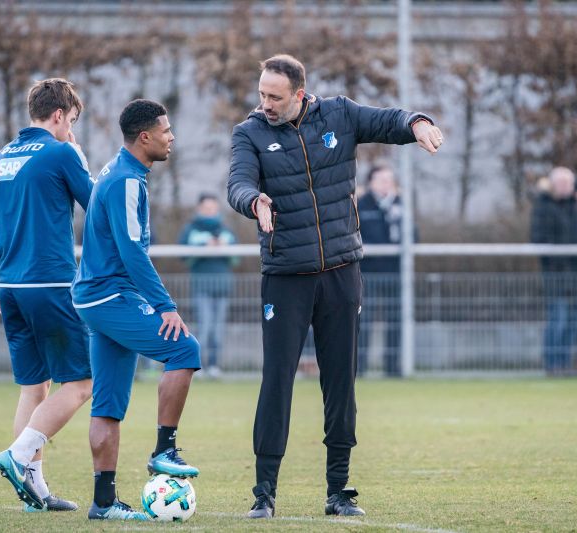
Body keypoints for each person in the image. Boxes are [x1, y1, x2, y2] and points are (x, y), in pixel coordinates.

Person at [227, 54, 442, 518]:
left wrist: (418, 123)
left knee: (341, 381)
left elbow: (390, 120)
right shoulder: (250, 133)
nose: (264, 103)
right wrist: (254, 201)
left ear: (299, 95)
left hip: (342, 273)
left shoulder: (340, 114)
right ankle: (264, 494)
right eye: (261, 93)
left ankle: (338, 491)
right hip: (285, 278)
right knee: (277, 380)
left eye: (274, 97)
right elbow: (238, 183)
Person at [72, 99, 201, 521]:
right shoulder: (127, 180)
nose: (171, 137)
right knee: (184, 350)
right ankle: (165, 449)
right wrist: (165, 306)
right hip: (111, 296)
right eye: (166, 131)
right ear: (144, 137)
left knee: (107, 405)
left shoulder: (116, 170)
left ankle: (104, 503)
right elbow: (131, 251)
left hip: (97, 297)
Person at [0, 78, 93, 511]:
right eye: (72, 122)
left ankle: (36, 492)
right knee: (81, 383)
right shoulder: (62, 151)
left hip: (10, 287)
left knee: (33, 386)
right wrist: (78, 155)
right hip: (51, 284)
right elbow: (97, 204)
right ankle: (19, 454)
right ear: (60, 115)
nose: (70, 131)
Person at [531, 167, 577, 375]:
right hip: (557, 274)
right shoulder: (543, 206)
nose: (565, 188)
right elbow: (539, 239)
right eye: (561, 183)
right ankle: (552, 364)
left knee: (575, 320)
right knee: (558, 319)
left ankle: (564, 363)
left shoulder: (576, 207)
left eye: (568, 184)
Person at [178, 193, 238, 378]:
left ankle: (214, 365)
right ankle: (199, 366)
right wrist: (204, 246)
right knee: (204, 327)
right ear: (199, 209)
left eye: (213, 208)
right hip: (201, 286)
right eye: (206, 208)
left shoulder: (226, 230)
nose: (210, 211)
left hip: (222, 287)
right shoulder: (191, 230)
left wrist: (221, 247)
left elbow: (236, 259)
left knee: (218, 329)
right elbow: (183, 256)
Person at [357, 165, 409, 377]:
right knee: (363, 319)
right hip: (367, 271)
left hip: (395, 272)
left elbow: (412, 235)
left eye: (389, 179)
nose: (386, 184)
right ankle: (359, 367)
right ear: (370, 182)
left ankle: (393, 368)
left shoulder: (400, 206)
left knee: (396, 319)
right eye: (381, 179)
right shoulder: (361, 205)